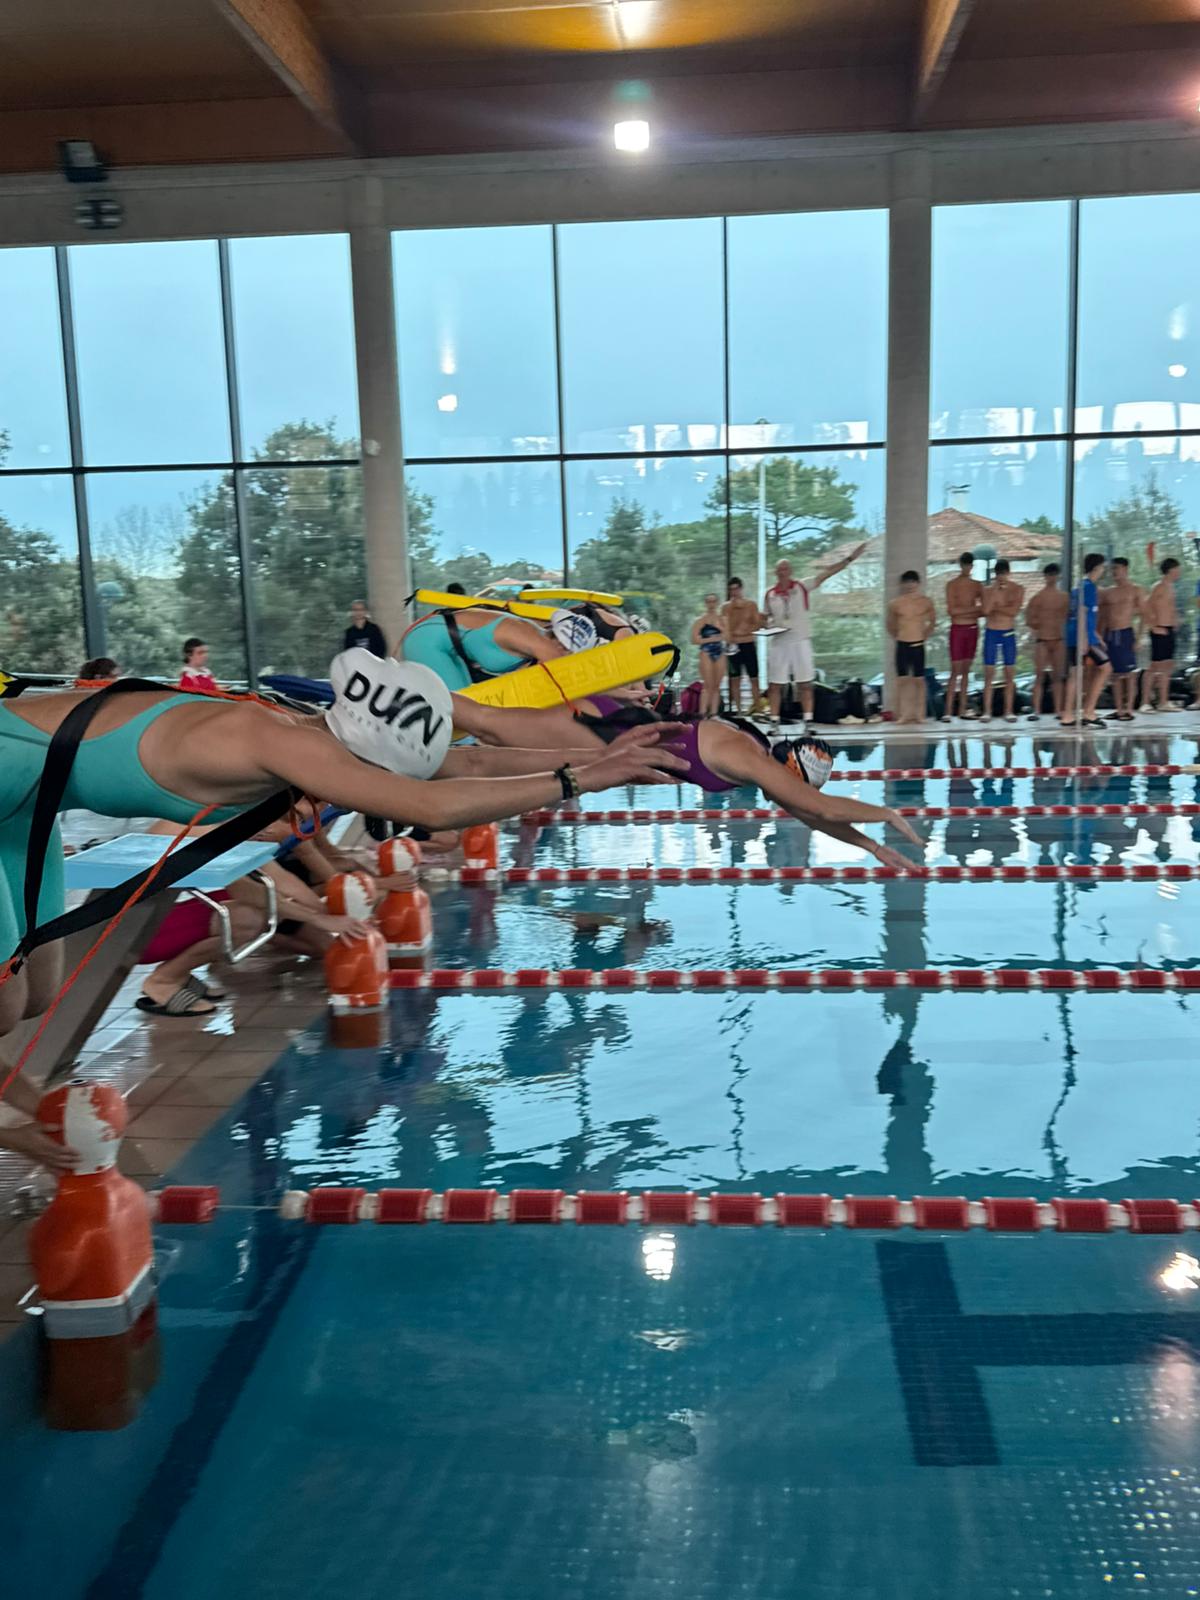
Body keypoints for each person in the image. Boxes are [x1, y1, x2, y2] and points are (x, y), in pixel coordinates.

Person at [0, 655, 686, 1158]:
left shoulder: (312, 734)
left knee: (38, 996)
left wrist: (601, 757)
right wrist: (578, 779)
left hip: (25, 813)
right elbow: (428, 803)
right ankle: (28, 1132)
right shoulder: (281, 743)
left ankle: (29, 1107)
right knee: (4, 1006)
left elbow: (467, 766)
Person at [763, 547, 866, 727]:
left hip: (800, 640)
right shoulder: (770, 594)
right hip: (779, 642)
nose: (782, 572)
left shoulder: (801, 586)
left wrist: (849, 559)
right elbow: (765, 617)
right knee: (775, 684)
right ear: (775, 572)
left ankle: (808, 721)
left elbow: (826, 574)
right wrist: (766, 625)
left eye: (785, 569)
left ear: (790, 571)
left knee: (805, 683)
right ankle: (774, 721)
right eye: (779, 569)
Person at [1062, 552, 1111, 729]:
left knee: (1076, 674)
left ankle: (1068, 715)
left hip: (1077, 635)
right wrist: (1084, 639)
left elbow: (1082, 615)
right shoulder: (1089, 587)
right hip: (1082, 637)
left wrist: (1097, 636)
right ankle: (1089, 711)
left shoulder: (1079, 587)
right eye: (1103, 567)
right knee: (1106, 668)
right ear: (1096, 568)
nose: (1104, 570)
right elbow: (1082, 613)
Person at [885, 571, 936, 726]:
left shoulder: (925, 602)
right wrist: (898, 636)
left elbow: (932, 621)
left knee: (919, 680)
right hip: (902, 644)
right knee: (902, 680)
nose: (910, 585)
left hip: (918, 644)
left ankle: (920, 715)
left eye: (913, 582)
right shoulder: (895, 603)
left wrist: (924, 635)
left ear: (918, 583)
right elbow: (890, 624)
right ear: (902, 584)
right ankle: (904, 714)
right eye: (907, 582)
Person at [980, 559, 1025, 724]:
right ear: (995, 575)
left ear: (1008, 573)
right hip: (992, 632)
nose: (1001, 577)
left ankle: (1009, 710)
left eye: (1004, 574)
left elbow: (1013, 612)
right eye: (999, 574)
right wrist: (995, 595)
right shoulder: (988, 590)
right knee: (989, 674)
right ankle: (987, 711)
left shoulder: (1017, 589)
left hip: (1008, 632)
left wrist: (997, 607)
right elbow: (986, 610)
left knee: (1009, 673)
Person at [1099, 557, 1144, 722]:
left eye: (1116, 568)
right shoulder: (1108, 592)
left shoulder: (1135, 590)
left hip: (1126, 633)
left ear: (1125, 569)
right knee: (1115, 675)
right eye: (1112, 569)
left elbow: (1144, 615)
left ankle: (1129, 709)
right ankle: (1119, 710)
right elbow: (1103, 617)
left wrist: (1139, 638)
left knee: (1130, 675)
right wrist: (1100, 637)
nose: (1114, 572)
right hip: (1110, 635)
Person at [1024, 564, 1069, 722]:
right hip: (1042, 640)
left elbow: (1069, 616)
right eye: (1049, 575)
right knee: (1039, 676)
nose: (1052, 578)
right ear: (1045, 577)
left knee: (1058, 676)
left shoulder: (1064, 597)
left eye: (1054, 575)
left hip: (1058, 639)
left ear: (1058, 576)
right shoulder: (1037, 598)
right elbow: (1029, 619)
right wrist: (1037, 630)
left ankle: (1058, 710)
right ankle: (1036, 710)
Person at [943, 552, 984, 722]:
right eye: (964, 565)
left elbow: (985, 610)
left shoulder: (977, 585)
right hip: (958, 629)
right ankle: (947, 711)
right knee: (955, 671)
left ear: (972, 566)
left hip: (972, 629)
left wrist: (965, 611)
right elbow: (952, 611)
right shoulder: (952, 585)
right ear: (960, 565)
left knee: (966, 671)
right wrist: (972, 610)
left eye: (969, 565)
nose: (967, 568)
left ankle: (962, 709)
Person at [1142, 557, 1183, 713]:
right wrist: (1154, 627)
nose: (1179, 572)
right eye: (1177, 569)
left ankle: (1163, 702)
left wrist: (1175, 620)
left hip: (1169, 630)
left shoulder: (1171, 587)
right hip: (1159, 630)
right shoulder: (1158, 587)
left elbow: (1170, 608)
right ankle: (1145, 702)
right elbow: (1146, 607)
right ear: (1170, 570)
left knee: (1167, 666)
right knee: (1154, 667)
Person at [720, 577, 765, 715]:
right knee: (735, 679)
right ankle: (739, 711)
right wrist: (733, 611)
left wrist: (744, 631)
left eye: (736, 589)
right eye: (731, 589)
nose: (734, 592)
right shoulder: (726, 607)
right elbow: (725, 628)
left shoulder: (751, 605)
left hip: (748, 644)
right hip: (732, 645)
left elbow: (757, 624)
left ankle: (758, 709)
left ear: (741, 589)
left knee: (754, 678)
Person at [690, 593, 726, 717]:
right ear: (706, 603)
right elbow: (694, 639)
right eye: (709, 601)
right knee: (707, 684)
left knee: (716, 685)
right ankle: (703, 713)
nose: (711, 604)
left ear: (717, 603)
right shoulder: (700, 620)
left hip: (719, 651)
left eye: (714, 601)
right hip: (706, 651)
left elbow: (728, 636)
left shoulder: (723, 619)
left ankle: (714, 713)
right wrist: (712, 639)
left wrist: (719, 628)